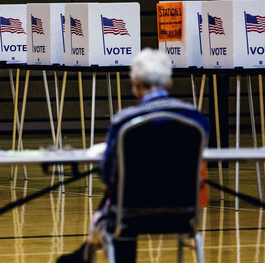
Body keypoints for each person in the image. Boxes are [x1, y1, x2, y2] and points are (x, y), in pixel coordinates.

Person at [57, 48, 209, 263]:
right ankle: (83, 252)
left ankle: (85, 252)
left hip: (130, 214)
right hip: (183, 212)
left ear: (135, 83)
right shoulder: (196, 120)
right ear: (169, 84)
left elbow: (108, 175)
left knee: (119, 210)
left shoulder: (124, 121)